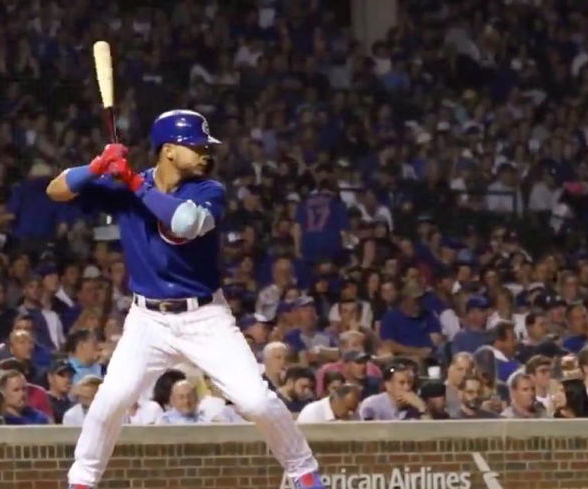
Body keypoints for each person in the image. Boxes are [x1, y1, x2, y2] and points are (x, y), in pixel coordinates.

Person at [46, 111, 323, 489]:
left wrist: (131, 182)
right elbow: (56, 190)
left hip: (204, 316)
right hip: (148, 319)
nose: (206, 153)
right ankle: (81, 482)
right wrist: (96, 166)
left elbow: (184, 224)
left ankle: (304, 472)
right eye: (198, 146)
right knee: (112, 399)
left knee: (254, 401)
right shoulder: (127, 185)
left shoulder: (208, 190)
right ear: (170, 150)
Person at [358, 362, 425, 420]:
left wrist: (421, 408)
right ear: (388, 385)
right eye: (402, 383)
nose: (407, 387)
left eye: (409, 382)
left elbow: (431, 432)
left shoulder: (415, 404)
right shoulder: (372, 404)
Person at [296, 383, 362, 423]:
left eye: (353, 410)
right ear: (337, 399)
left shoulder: (354, 413)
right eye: (348, 408)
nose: (351, 413)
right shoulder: (312, 412)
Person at [47, 359, 76, 424]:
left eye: (70, 376)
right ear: (50, 378)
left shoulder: (74, 403)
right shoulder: (44, 401)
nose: (67, 380)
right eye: (62, 376)